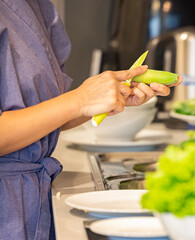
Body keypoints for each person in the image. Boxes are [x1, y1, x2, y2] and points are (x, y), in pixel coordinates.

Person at [0, 0, 182, 239]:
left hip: (31, 199)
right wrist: (80, 100)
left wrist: (101, 102)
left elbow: (44, 116)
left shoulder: (38, 5)